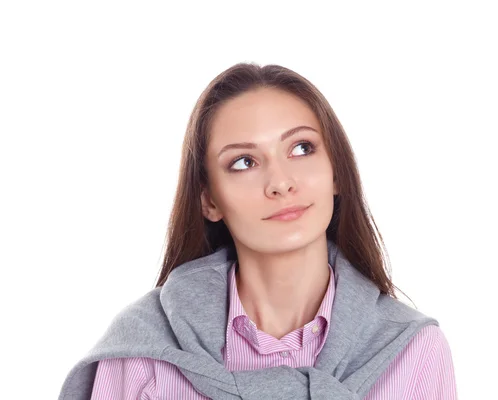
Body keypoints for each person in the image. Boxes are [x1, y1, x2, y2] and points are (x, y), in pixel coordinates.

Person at [59, 62, 457, 399]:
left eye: (301, 148)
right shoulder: (141, 353)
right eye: (244, 162)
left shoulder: (412, 350)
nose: (280, 183)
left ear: (336, 172)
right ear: (209, 200)